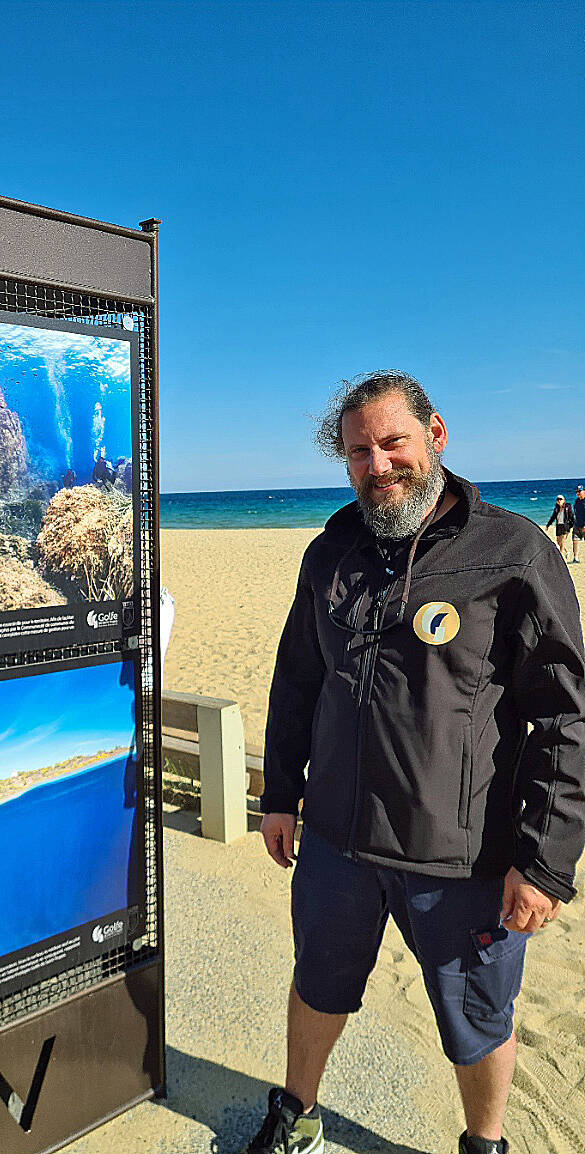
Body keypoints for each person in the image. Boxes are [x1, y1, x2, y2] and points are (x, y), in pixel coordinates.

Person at [242, 371, 585, 1154]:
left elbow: (566, 716)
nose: (377, 464)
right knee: (317, 984)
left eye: (391, 442)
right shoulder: (330, 551)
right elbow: (296, 679)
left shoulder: (514, 552)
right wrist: (280, 795)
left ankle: (485, 1142)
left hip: (460, 857)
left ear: (433, 436)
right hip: (335, 841)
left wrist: (544, 864)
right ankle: (294, 1111)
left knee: (476, 1020)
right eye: (359, 451)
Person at [546, 494, 574, 559]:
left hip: (565, 526)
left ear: (564, 500)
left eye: (560, 499)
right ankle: (567, 552)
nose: (559, 501)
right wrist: (548, 525)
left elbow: (571, 516)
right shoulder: (556, 509)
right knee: (559, 542)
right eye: (558, 499)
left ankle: (561, 556)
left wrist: (570, 526)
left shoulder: (567, 507)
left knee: (563, 540)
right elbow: (552, 518)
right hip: (559, 526)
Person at [572, 485, 585, 562]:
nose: (577, 493)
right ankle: (575, 557)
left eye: (579, 491)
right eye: (576, 492)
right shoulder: (577, 501)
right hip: (577, 524)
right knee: (575, 540)